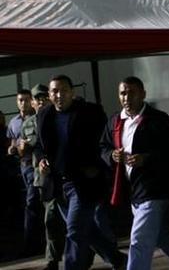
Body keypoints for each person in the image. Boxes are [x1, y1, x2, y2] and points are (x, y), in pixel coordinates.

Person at [101, 77, 169, 270]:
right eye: (123, 93)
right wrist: (111, 155)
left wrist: (146, 158)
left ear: (143, 94)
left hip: (155, 190)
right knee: (158, 234)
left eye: (132, 92)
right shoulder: (115, 121)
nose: (127, 97)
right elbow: (103, 147)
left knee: (139, 240)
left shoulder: (158, 120)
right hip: (133, 190)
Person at [36, 75, 126, 270]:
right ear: (49, 95)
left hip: (84, 182)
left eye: (64, 90)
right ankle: (118, 260)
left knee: (75, 229)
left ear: (72, 92)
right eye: (54, 91)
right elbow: (40, 146)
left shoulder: (90, 112)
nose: (59, 95)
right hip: (58, 183)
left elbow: (104, 142)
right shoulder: (44, 115)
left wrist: (98, 167)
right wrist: (42, 160)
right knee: (89, 231)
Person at [23, 84, 64, 270]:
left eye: (43, 97)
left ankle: (57, 259)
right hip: (44, 178)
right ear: (32, 102)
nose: (40, 101)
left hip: (64, 176)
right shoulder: (29, 123)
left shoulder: (59, 117)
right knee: (51, 219)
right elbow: (30, 149)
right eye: (36, 98)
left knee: (67, 219)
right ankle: (52, 259)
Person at [6, 88, 43, 256]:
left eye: (27, 100)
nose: (23, 103)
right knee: (31, 203)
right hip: (24, 165)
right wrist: (12, 148)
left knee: (34, 203)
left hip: (37, 162)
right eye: (20, 100)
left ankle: (32, 243)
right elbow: (12, 142)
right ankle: (32, 242)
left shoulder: (37, 118)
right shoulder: (13, 122)